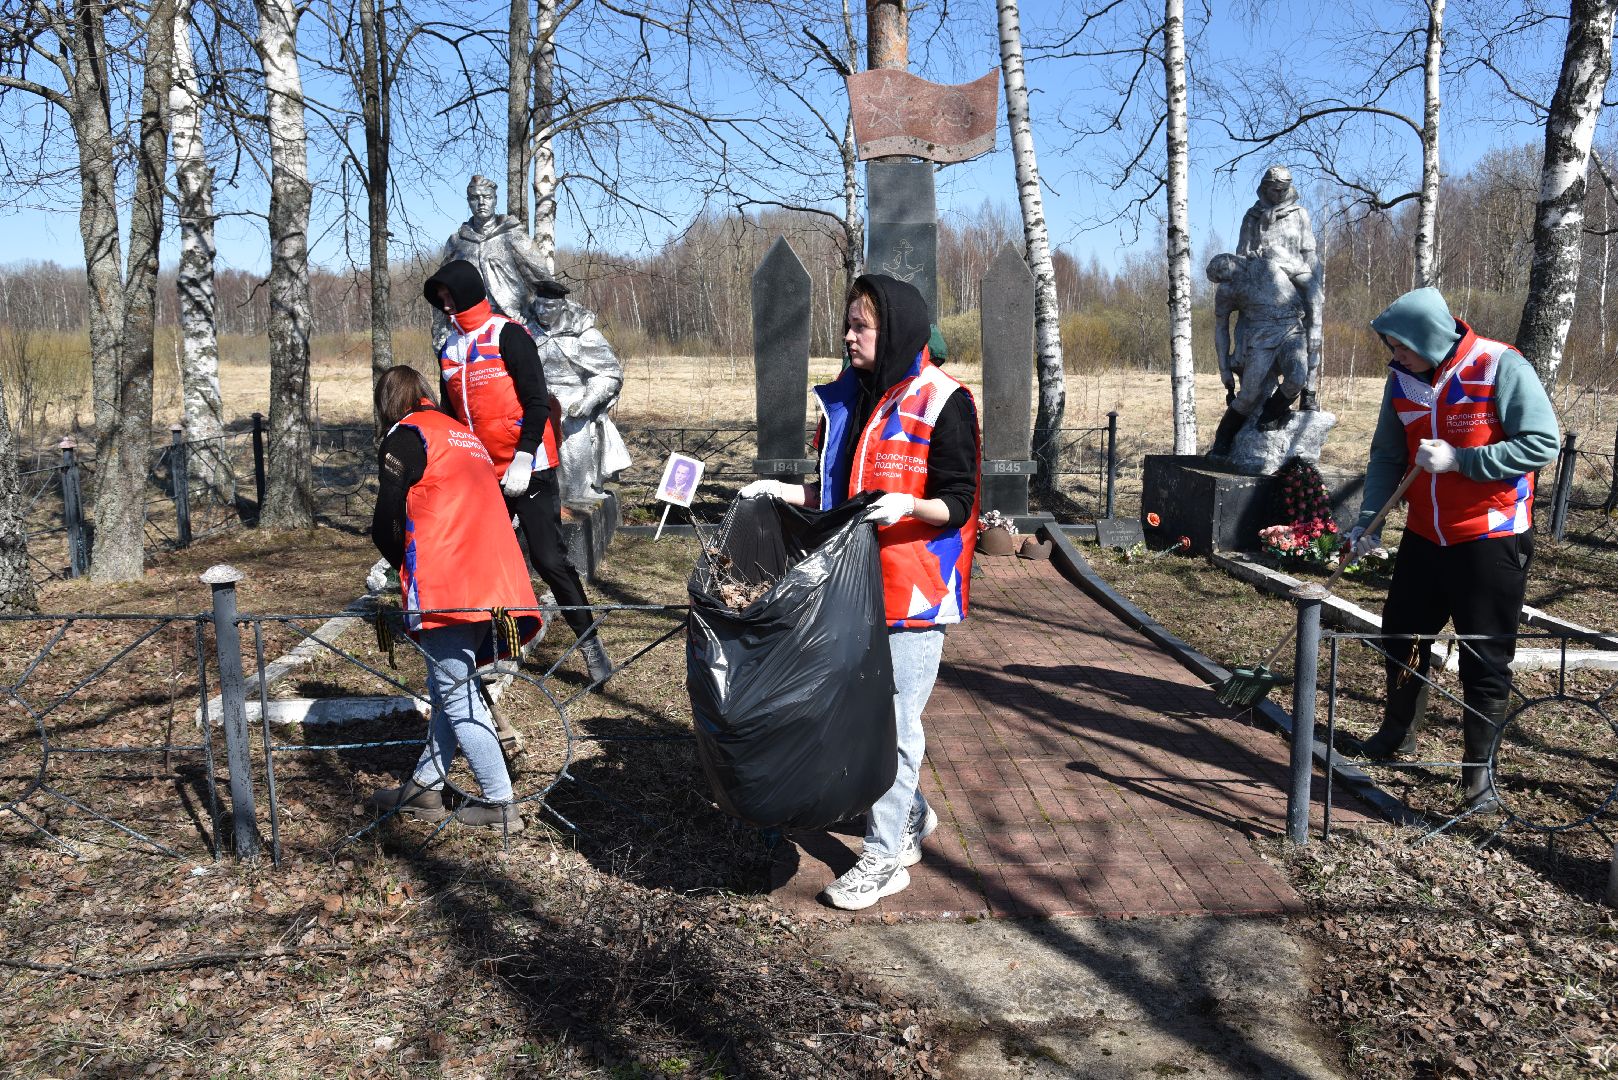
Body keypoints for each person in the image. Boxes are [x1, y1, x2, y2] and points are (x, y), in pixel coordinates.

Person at [740, 274, 981, 910]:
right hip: (848, 586)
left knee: (895, 725)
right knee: (851, 717)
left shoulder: (943, 400)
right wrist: (782, 492)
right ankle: (911, 811)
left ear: (893, 329)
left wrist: (908, 505)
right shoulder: (848, 399)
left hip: (914, 590)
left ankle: (885, 857)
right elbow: (835, 492)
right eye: (847, 325)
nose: (848, 337)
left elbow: (959, 502)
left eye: (860, 326)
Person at [1340, 287, 1559, 812]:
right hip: (1425, 535)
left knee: (1485, 655)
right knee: (1402, 635)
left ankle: (1478, 773)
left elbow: (1541, 443)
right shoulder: (1403, 381)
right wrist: (1369, 521)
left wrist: (1462, 461)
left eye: (1402, 346)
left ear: (1431, 337)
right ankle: (1397, 733)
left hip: (1490, 537)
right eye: (1392, 347)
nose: (1395, 356)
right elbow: (1386, 455)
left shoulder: (1499, 365)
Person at [364, 366, 543, 832]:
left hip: (448, 582)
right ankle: (425, 788)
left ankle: (500, 802)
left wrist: (403, 566)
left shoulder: (405, 437)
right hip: (491, 578)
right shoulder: (460, 433)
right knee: (451, 686)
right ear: (424, 392)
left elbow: (385, 522)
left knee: (457, 695)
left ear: (386, 404)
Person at [423, 259, 613, 685]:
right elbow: (452, 415)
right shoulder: (449, 348)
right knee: (485, 563)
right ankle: (496, 646)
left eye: (450, 296)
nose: (446, 305)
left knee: (548, 559)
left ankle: (590, 644)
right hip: (481, 473)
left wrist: (524, 456)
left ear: (468, 292)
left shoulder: (507, 334)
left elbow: (537, 400)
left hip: (529, 467)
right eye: (441, 299)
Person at [1203, 250, 1319, 458]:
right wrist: (1224, 369)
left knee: (1297, 379)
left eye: (1221, 269)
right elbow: (1221, 328)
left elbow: (1307, 280)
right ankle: (1223, 439)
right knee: (1248, 396)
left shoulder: (1267, 261)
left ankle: (1270, 415)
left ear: (1230, 259)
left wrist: (1315, 324)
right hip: (1261, 338)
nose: (1223, 275)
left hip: (1292, 330)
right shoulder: (1227, 291)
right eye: (1218, 277)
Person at [529, 281, 632, 505]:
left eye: (549, 306)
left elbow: (609, 373)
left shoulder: (583, 334)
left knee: (572, 467)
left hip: (571, 406)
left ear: (562, 307)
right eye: (538, 305)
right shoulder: (526, 330)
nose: (542, 311)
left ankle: (575, 499)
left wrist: (588, 401)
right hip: (533, 404)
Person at [1236, 165, 1324, 414]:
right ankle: (1258, 398)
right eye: (1275, 189)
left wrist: (1315, 283)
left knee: (1310, 337)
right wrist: (1250, 260)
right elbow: (1241, 255)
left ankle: (1308, 392)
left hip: (1297, 278)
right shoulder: (1252, 216)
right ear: (1265, 188)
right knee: (1254, 339)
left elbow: (1309, 251)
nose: (1279, 194)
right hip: (1264, 286)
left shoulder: (1299, 214)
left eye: (1283, 189)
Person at [434, 175, 552, 350]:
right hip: (470, 329)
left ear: (495, 200)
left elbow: (543, 281)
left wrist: (534, 316)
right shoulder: (456, 242)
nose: (481, 202)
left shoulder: (513, 235)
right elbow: (443, 288)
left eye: (487, 197)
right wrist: (440, 332)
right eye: (475, 198)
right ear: (469, 202)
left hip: (513, 321)